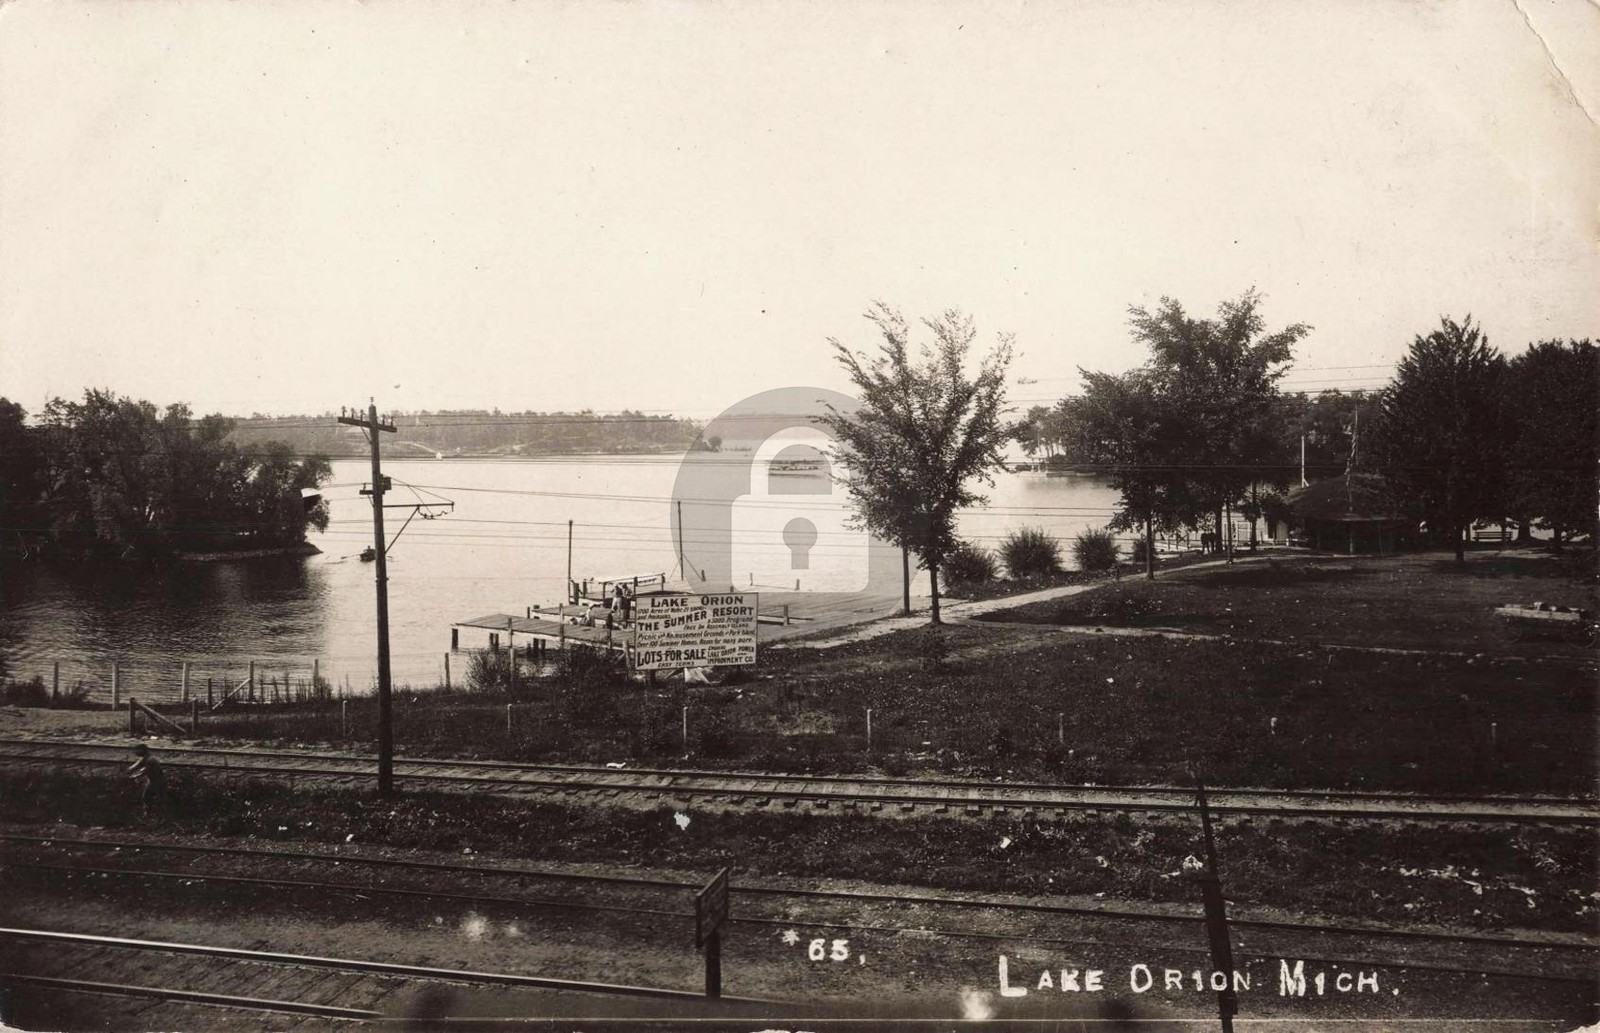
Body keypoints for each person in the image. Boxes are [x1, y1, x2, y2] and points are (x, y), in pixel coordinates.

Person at [127, 744, 169, 815]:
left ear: (143, 750)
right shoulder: (144, 758)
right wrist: (128, 770)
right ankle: (149, 812)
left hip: (158, 781)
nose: (135, 752)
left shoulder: (150, 760)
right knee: (146, 797)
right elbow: (136, 766)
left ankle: (161, 814)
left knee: (159, 798)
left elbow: (146, 771)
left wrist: (135, 776)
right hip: (152, 781)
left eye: (137, 750)